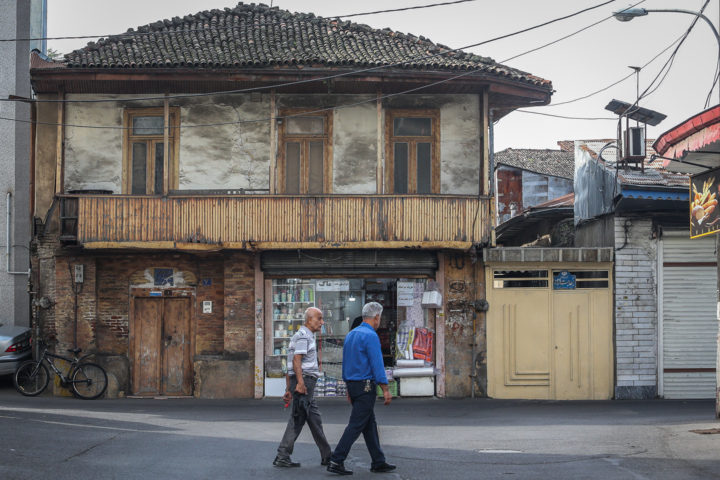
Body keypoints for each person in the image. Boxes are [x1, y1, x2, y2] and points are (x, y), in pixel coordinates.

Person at [327, 302, 396, 475]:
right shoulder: (371, 336)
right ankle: (336, 460)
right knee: (357, 424)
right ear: (377, 317)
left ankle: (378, 461)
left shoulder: (351, 334)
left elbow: (346, 363)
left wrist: (348, 386)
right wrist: (385, 388)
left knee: (369, 424)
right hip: (366, 386)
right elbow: (377, 364)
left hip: (353, 384)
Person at [274, 307, 333, 468]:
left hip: (302, 381)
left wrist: (288, 388)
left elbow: (290, 363)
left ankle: (327, 455)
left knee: (314, 419)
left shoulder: (300, 336)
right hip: (305, 381)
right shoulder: (304, 336)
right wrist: (299, 383)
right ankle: (282, 455)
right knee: (298, 417)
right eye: (319, 319)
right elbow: (296, 361)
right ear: (309, 319)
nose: (322, 322)